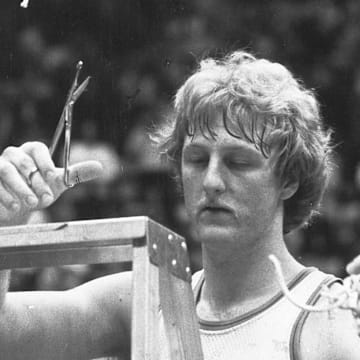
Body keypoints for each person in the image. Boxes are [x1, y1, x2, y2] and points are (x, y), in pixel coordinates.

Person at [0, 50, 359, 359]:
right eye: (197, 160)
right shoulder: (142, 300)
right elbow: (7, 336)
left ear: (289, 180)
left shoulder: (324, 317)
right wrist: (6, 223)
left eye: (239, 162)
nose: (212, 181)